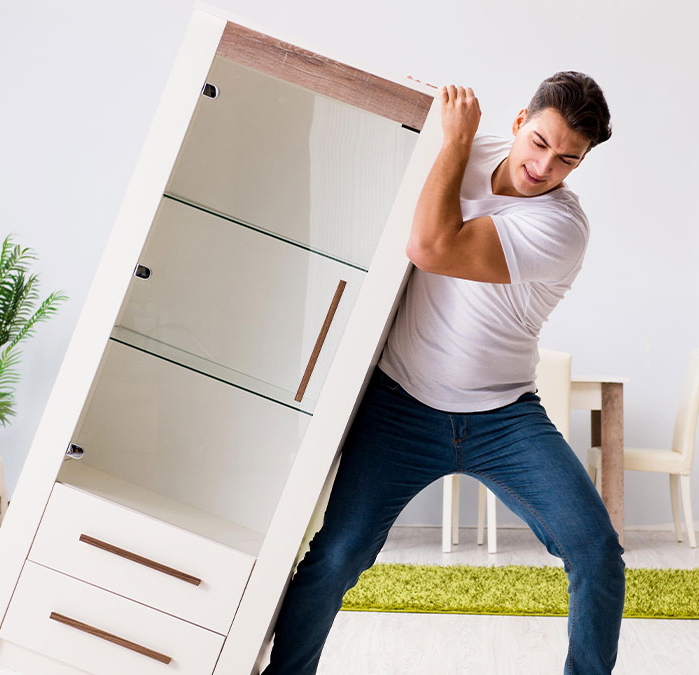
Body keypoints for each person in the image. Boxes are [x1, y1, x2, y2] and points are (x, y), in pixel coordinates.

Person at [262, 71, 624, 675]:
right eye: (539, 142)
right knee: (340, 554)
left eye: (567, 160)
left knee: (596, 551)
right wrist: (446, 131)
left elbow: (431, 248)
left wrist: (456, 142)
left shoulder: (561, 227)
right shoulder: (465, 151)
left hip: (504, 418)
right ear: (519, 121)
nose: (543, 167)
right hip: (399, 405)